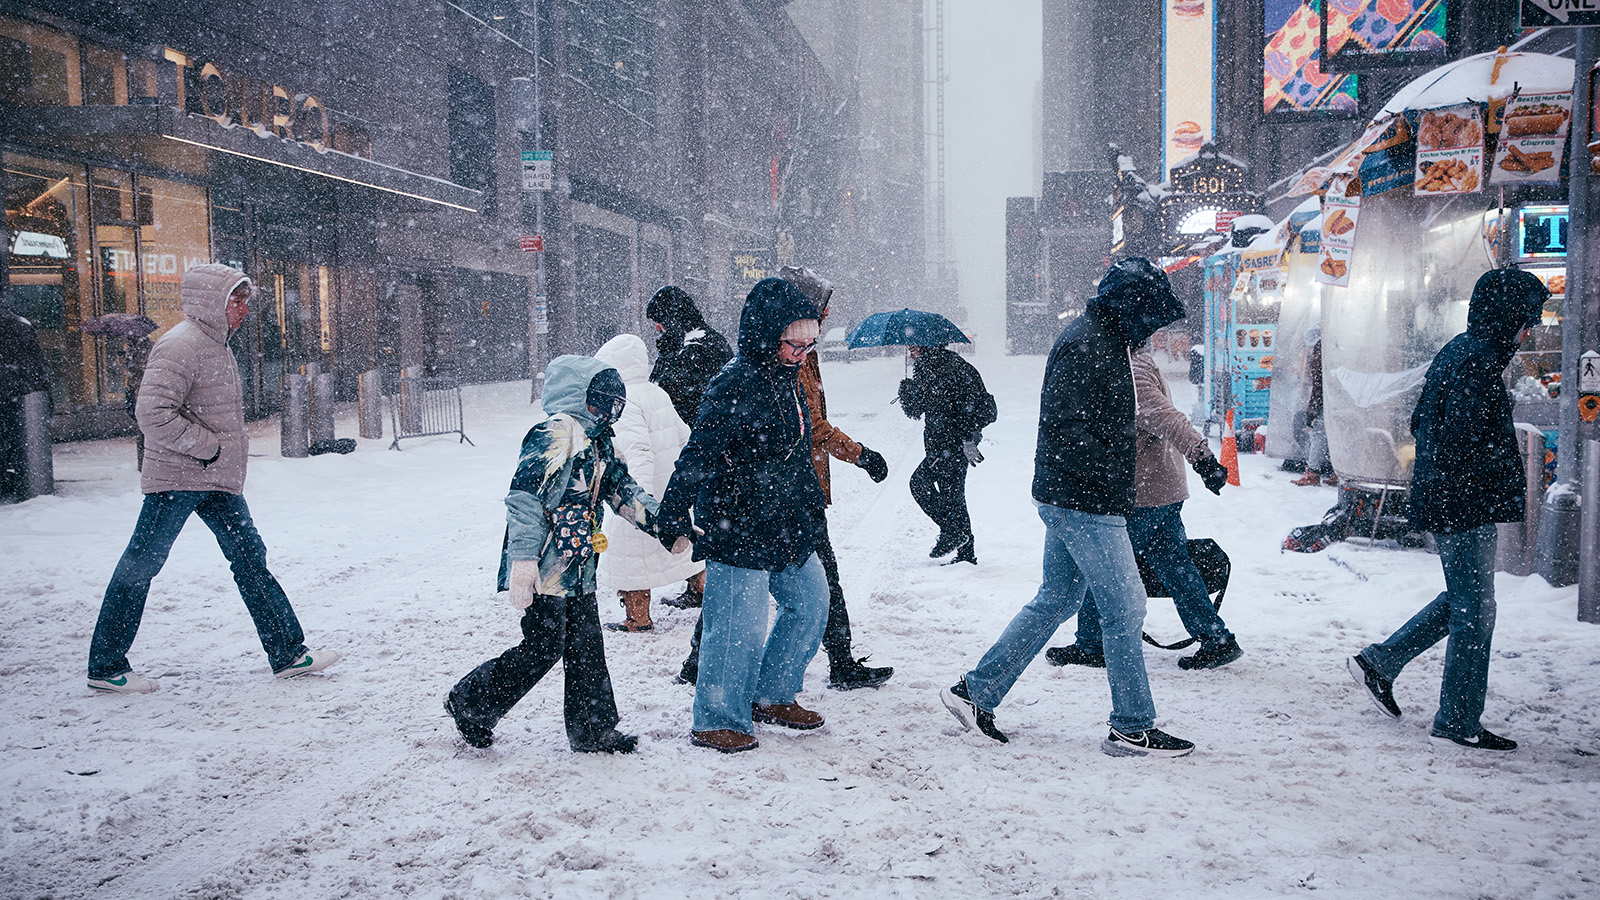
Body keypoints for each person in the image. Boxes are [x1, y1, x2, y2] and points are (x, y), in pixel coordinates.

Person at [939, 258, 1196, 757]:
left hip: (1071, 495)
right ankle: (1132, 725)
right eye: (1150, 318)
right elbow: (1071, 431)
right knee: (1126, 605)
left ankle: (976, 691)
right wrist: (1112, 477)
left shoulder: (1102, 338)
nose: (1153, 330)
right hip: (1084, 501)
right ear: (1132, 308)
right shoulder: (1090, 346)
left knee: (1057, 599)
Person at [87, 264, 338, 693]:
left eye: (245, 301)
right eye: (235, 301)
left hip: (214, 480)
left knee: (249, 558)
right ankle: (106, 666)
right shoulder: (180, 345)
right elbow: (152, 413)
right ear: (211, 302)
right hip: (180, 478)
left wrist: (215, 456)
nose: (243, 310)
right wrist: (209, 447)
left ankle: (288, 654)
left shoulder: (215, 344)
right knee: (142, 564)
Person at [1348, 267, 1548, 753]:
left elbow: (1424, 422)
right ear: (1507, 319)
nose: (1529, 333)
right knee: (1476, 611)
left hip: (1452, 499)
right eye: (1526, 322)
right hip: (1463, 504)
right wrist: (1489, 478)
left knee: (1465, 600)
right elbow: (1461, 440)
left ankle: (1381, 662)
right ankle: (1457, 718)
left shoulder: (1463, 351)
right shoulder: (1476, 362)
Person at [444, 355, 681, 752]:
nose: (608, 412)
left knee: (586, 646)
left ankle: (593, 730)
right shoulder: (555, 433)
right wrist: (522, 563)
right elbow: (524, 499)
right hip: (543, 566)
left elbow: (624, 493)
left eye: (612, 404)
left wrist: (666, 526)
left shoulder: (601, 443)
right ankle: (470, 701)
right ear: (578, 397)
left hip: (579, 565)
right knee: (543, 646)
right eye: (600, 402)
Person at [654, 277, 829, 753]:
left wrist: (810, 505)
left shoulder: (787, 377)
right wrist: (672, 511)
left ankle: (771, 694)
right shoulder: (734, 382)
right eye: (795, 344)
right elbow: (698, 454)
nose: (803, 354)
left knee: (812, 602)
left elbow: (795, 450)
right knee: (737, 625)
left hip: (784, 520)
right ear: (767, 335)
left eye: (810, 344)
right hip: (737, 522)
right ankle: (716, 717)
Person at [1045, 344, 1238, 671]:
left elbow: (1166, 418)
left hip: (1142, 495)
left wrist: (1203, 459)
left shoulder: (1131, 371)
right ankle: (1215, 638)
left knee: (1102, 566)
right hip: (1162, 490)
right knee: (1176, 568)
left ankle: (1092, 644)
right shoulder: (1136, 361)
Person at [779, 265, 894, 691]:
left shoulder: (797, 349)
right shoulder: (793, 356)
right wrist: (862, 456)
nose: (827, 317)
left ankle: (842, 659)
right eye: (821, 310)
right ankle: (840, 662)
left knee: (778, 576)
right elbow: (814, 426)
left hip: (797, 487)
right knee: (808, 578)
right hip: (794, 489)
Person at [593, 333, 705, 632]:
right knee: (684, 549)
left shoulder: (625, 401)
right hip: (670, 488)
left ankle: (637, 618)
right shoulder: (657, 392)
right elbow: (685, 436)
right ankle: (702, 590)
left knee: (631, 563)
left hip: (646, 494)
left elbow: (638, 451)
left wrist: (639, 501)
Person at [898, 342, 995, 564]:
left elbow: (978, 406)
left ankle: (954, 532)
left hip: (951, 445)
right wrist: (907, 392)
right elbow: (920, 408)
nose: (911, 353)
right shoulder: (927, 368)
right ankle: (966, 554)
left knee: (919, 484)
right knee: (954, 498)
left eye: (914, 348)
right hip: (939, 444)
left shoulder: (955, 367)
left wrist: (968, 439)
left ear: (928, 346)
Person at [647, 285, 734, 430]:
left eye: (659, 321)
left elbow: (679, 399)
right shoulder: (680, 343)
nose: (657, 327)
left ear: (671, 318)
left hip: (696, 437)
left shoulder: (697, 348)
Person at [0, 291, 50, 503]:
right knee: (14, 443)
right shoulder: (20, 327)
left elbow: (35, 367)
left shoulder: (16, 329)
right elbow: (38, 367)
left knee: (10, 442)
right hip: (17, 395)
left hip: (15, 395)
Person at [1292, 326, 1337, 486]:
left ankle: (1313, 473)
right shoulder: (1334, 349)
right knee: (1335, 435)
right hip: (1341, 400)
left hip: (1328, 401)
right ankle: (1339, 472)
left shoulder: (1320, 354)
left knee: (1317, 434)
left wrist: (1311, 411)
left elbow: (1318, 385)